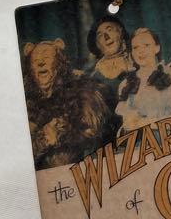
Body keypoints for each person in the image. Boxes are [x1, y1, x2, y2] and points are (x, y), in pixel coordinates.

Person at [22, 39, 115, 170]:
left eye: (47, 57)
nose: (41, 63)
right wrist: (43, 138)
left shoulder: (82, 89)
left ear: (59, 62)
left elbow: (94, 131)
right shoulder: (27, 100)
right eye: (35, 60)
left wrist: (63, 129)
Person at [114, 28, 171, 131]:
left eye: (146, 45)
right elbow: (128, 123)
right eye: (135, 47)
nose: (141, 51)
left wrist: (142, 123)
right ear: (131, 52)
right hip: (141, 139)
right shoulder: (125, 84)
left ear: (157, 48)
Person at [87, 16, 135, 113]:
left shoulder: (139, 57)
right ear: (97, 44)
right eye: (100, 35)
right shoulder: (95, 79)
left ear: (120, 31)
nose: (106, 37)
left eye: (109, 30)